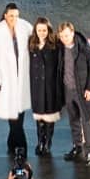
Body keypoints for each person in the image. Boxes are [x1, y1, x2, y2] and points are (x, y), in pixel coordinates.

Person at [0, 3, 35, 163]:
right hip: (6, 81)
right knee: (13, 117)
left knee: (19, 116)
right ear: (5, 15)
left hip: (22, 80)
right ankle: (22, 148)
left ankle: (11, 143)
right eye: (11, 15)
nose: (14, 18)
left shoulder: (25, 27)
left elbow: (38, 38)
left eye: (16, 15)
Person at [57, 20, 90, 167]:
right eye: (61, 36)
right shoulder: (60, 47)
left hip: (82, 91)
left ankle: (89, 151)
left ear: (72, 33)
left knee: (86, 120)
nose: (64, 39)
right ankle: (77, 147)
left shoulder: (84, 47)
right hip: (68, 89)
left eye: (66, 35)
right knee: (73, 119)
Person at [28, 18, 65, 158]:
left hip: (50, 86)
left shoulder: (55, 45)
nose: (42, 33)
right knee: (39, 117)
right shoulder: (32, 44)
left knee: (49, 116)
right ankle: (40, 141)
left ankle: (48, 142)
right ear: (35, 31)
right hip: (37, 86)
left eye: (44, 30)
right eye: (39, 30)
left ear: (48, 30)